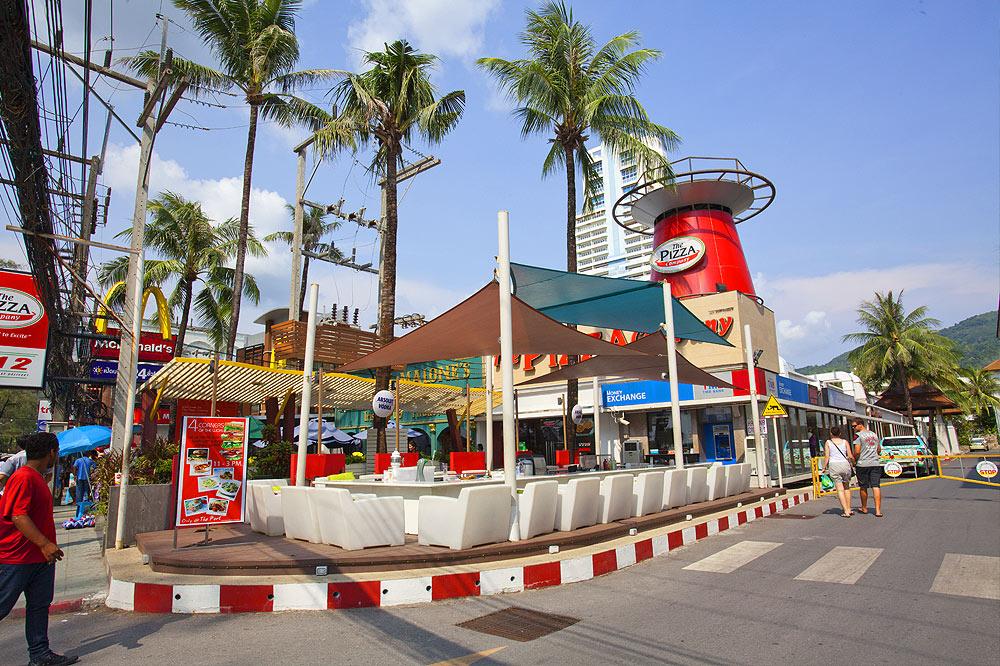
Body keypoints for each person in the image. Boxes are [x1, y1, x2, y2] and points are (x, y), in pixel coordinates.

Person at [0, 432, 78, 665]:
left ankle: (40, 654)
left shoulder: (35, 477)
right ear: (51, 452)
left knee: (39, 607)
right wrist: (44, 543)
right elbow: (18, 516)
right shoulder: (23, 477)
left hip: (39, 558)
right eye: (57, 452)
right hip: (18, 557)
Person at [852, 417, 883, 517]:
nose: (853, 428)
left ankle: (864, 507)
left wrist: (853, 459)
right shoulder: (874, 434)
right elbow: (879, 449)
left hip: (862, 464)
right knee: (876, 486)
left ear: (860, 424)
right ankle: (878, 511)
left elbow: (857, 451)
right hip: (875, 463)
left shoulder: (857, 436)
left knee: (863, 487)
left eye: (854, 426)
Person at [821, 426, 855, 517]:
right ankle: (849, 508)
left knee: (840, 489)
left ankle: (846, 511)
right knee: (847, 488)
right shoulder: (845, 442)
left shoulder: (828, 442)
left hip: (834, 465)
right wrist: (853, 463)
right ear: (840, 433)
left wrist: (824, 467)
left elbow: (827, 456)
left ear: (831, 433)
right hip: (845, 465)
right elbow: (850, 455)